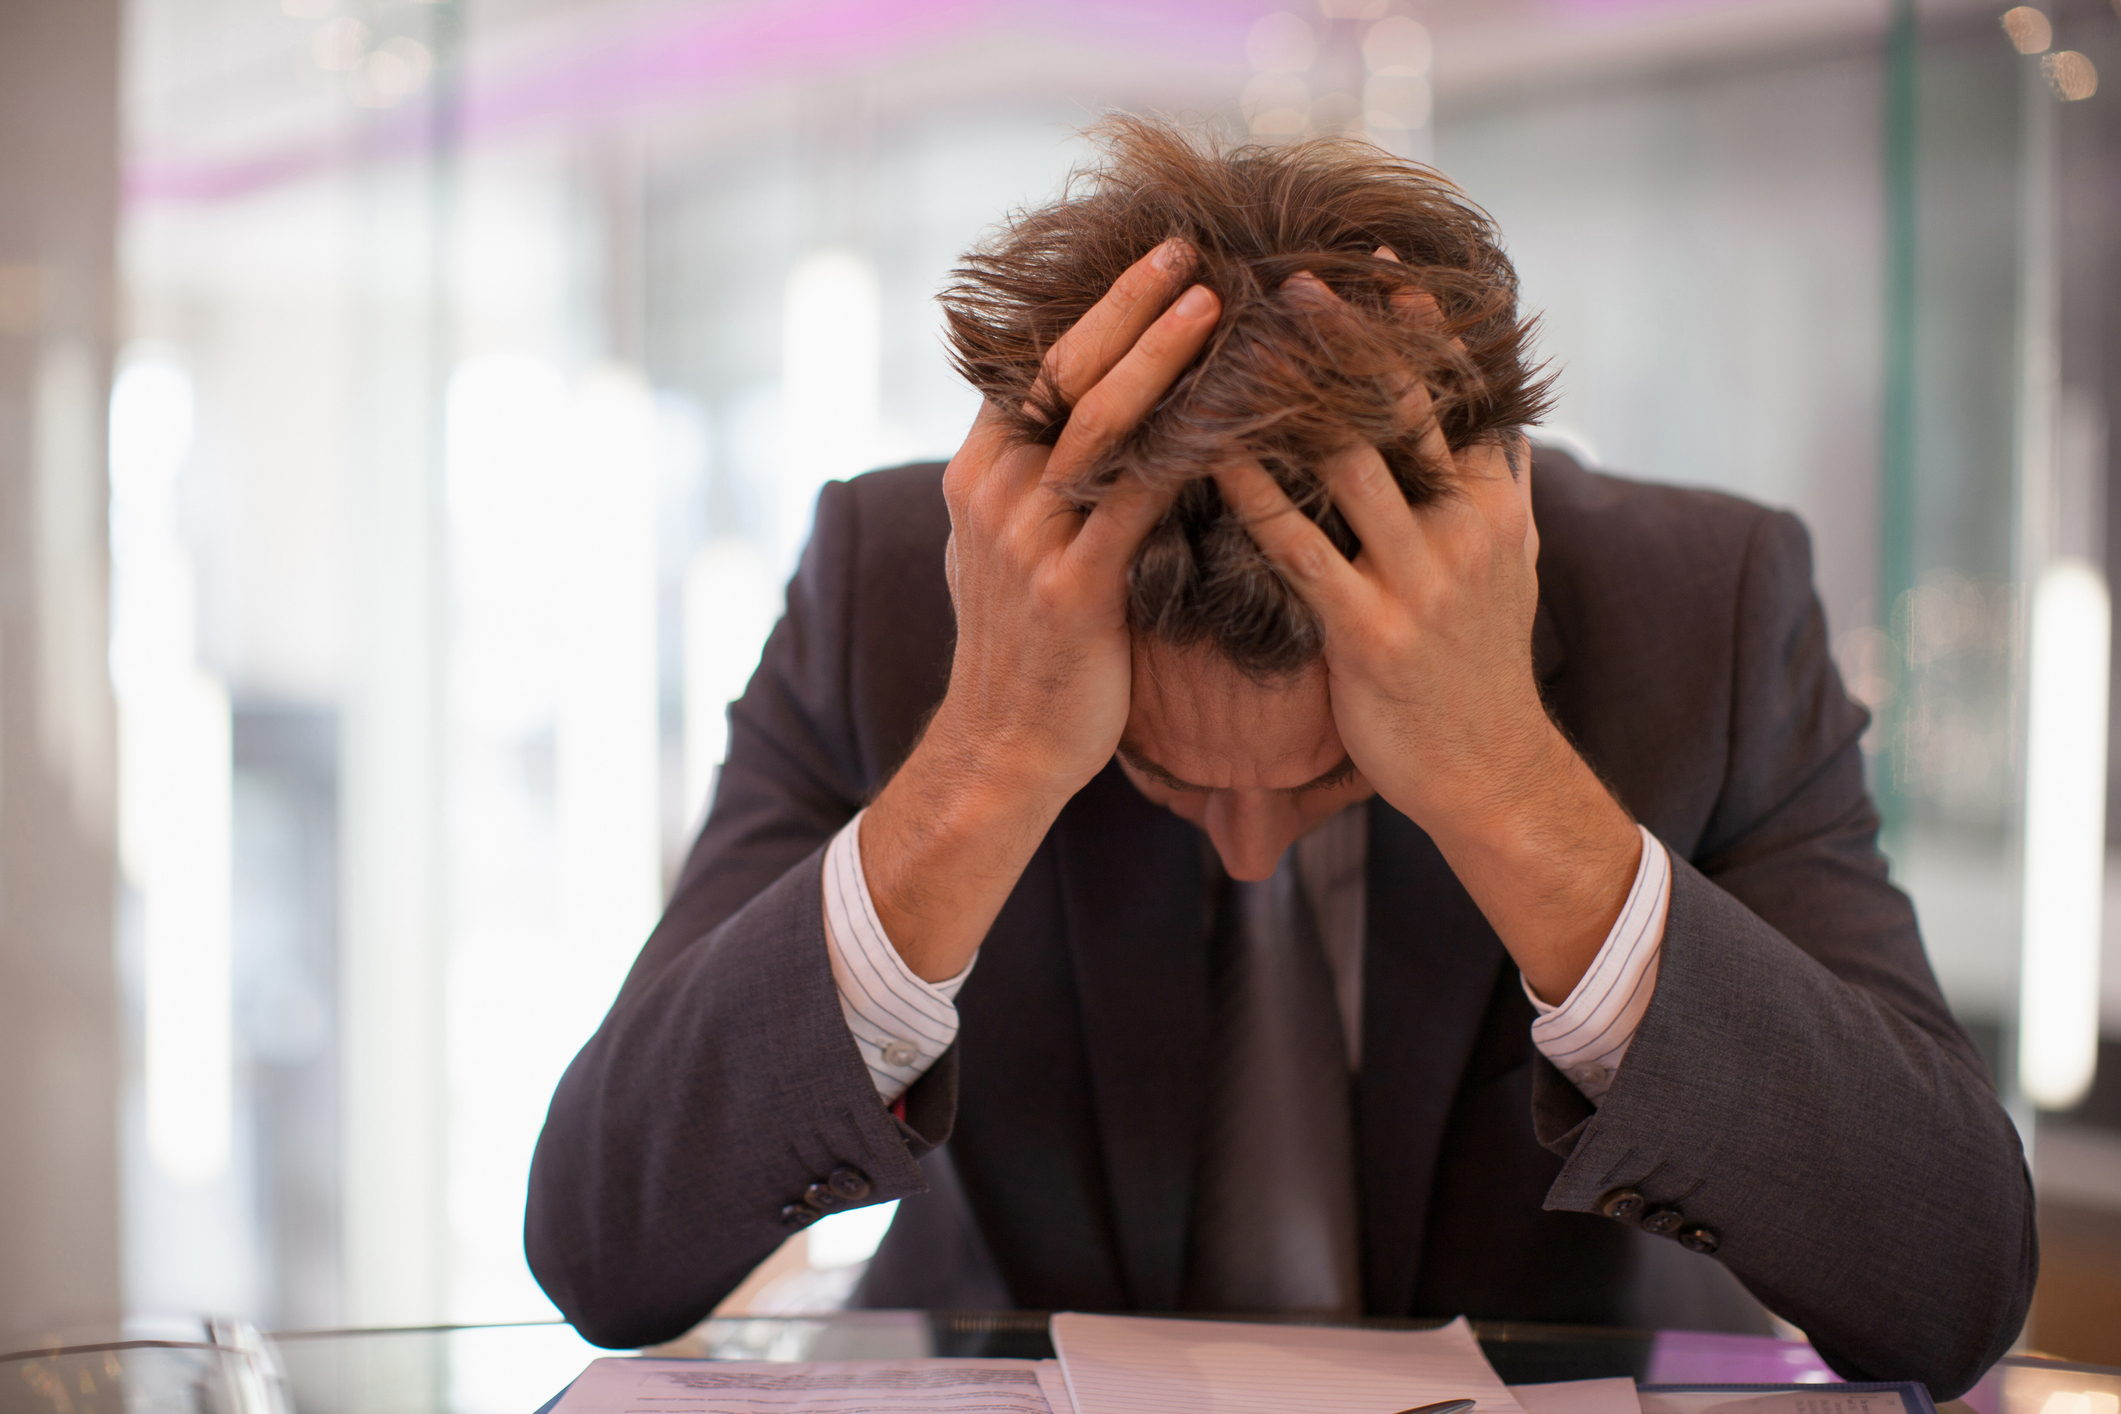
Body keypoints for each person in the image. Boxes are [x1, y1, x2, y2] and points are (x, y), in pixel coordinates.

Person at [525, 120, 2034, 1398]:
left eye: (1325, 781)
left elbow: (1950, 1282)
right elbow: (606, 1246)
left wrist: (1502, 780)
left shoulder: (1702, 611)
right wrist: (983, 761)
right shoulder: (895, 593)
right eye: (1165, 776)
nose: (1245, 844)